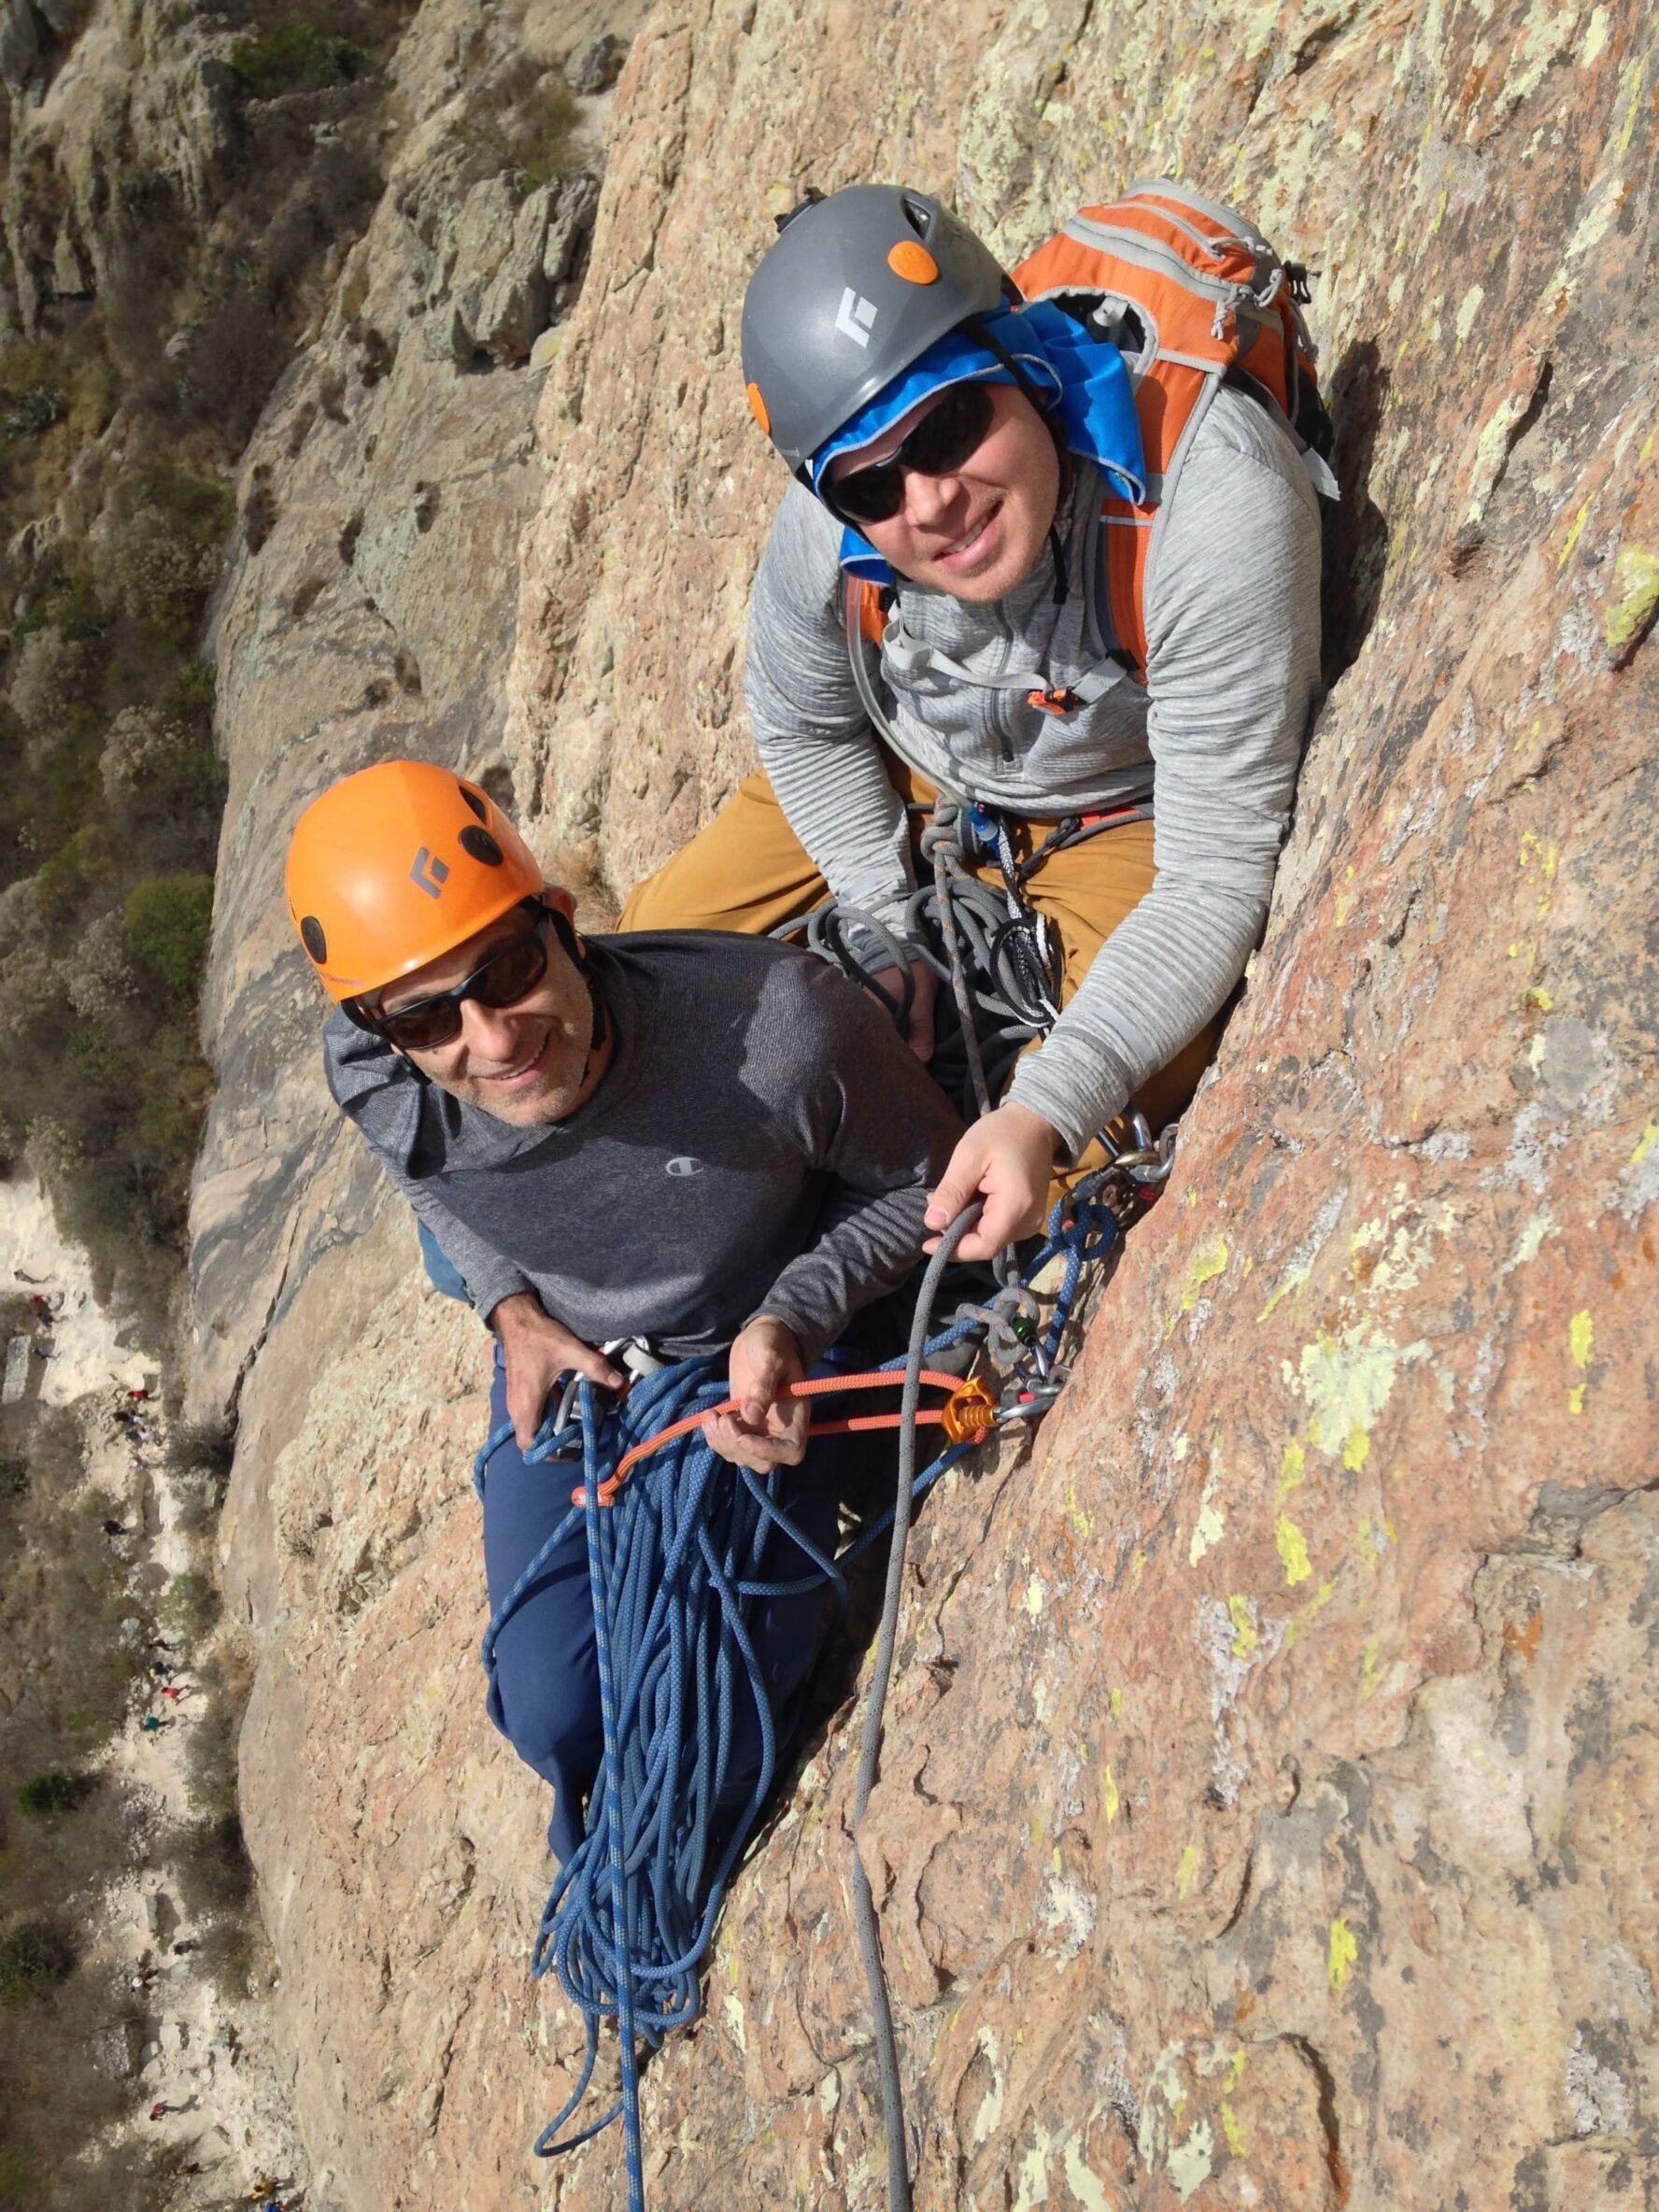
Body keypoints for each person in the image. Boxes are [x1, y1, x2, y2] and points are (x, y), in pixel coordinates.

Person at [621, 184, 1324, 1262]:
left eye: (950, 424)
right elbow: (805, 722)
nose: (930, 502)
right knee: (633, 972)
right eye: (870, 485)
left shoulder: (1211, 506)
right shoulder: (830, 524)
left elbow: (1214, 878)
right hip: (904, 750)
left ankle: (839, 1284)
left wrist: (1046, 1106)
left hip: (1118, 795)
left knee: (1074, 1123)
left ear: (1019, 361)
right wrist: (885, 915)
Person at [286, 759, 961, 1861]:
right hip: (586, 1358)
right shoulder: (374, 1064)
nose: (494, 1040)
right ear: (382, 1026)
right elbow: (424, 1176)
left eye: (507, 967)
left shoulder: (780, 1035)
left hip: (753, 1352)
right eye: (428, 1015)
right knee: (551, 1714)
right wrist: (506, 1304)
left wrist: (794, 1316)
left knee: (711, 1741)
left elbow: (928, 1186)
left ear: (559, 922)